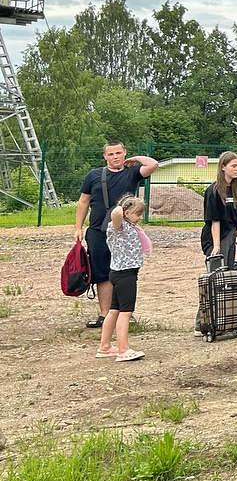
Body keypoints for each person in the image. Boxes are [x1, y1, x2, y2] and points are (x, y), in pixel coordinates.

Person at [74, 142, 159, 328]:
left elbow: (153, 164)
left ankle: (125, 313)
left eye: (119, 153)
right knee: (102, 273)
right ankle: (105, 315)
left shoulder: (132, 173)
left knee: (125, 272)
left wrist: (134, 160)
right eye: (111, 153)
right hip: (97, 231)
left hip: (125, 233)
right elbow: (83, 202)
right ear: (105, 156)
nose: (115, 156)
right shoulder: (94, 175)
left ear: (124, 153)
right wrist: (78, 227)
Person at [95, 195, 150, 363]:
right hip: (125, 274)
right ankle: (123, 349)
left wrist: (128, 209)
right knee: (126, 313)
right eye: (137, 213)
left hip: (121, 273)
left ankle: (104, 347)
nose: (139, 217)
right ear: (126, 212)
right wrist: (123, 207)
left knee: (114, 311)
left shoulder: (130, 227)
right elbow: (116, 213)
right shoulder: (118, 226)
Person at [202, 151, 237, 269]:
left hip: (231, 235)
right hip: (217, 236)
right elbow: (214, 220)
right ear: (223, 167)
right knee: (217, 274)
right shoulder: (213, 191)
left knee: (229, 273)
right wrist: (216, 246)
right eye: (233, 166)